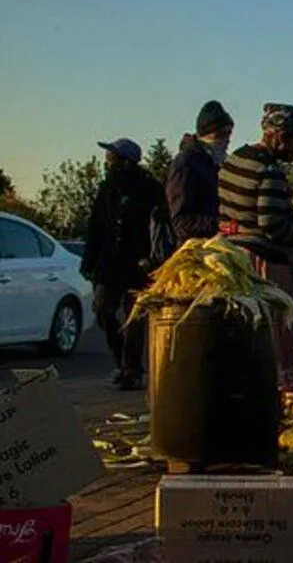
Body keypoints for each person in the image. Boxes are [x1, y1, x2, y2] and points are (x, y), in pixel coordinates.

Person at [217, 103, 293, 398]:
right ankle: (278, 393)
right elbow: (272, 224)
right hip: (265, 263)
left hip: (231, 256)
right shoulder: (269, 171)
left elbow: (229, 217)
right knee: (275, 332)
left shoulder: (233, 161)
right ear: (279, 137)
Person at [81, 138, 167, 391]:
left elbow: (159, 228)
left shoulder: (150, 188)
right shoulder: (107, 187)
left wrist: (153, 258)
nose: (107, 161)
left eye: (112, 156)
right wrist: (90, 261)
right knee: (102, 310)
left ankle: (131, 369)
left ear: (125, 160)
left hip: (138, 263)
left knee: (134, 318)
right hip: (109, 263)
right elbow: (96, 225)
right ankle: (121, 360)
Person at [168, 101, 234, 243]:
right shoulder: (186, 163)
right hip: (196, 253)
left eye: (229, 134)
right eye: (220, 134)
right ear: (206, 134)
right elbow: (181, 221)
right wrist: (223, 226)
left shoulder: (219, 163)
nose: (226, 140)